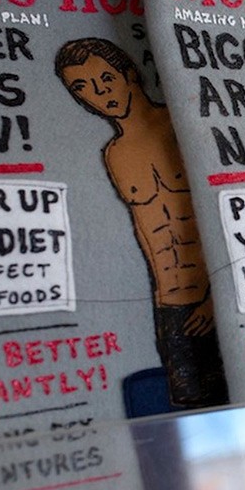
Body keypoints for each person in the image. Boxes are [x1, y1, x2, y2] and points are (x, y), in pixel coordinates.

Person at [55, 37, 225, 407]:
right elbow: (146, 234)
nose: (100, 93)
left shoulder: (179, 126)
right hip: (170, 307)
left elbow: (223, 209)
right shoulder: (114, 154)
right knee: (190, 413)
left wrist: (218, 297)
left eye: (106, 78)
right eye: (82, 87)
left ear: (130, 73)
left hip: (214, 298)